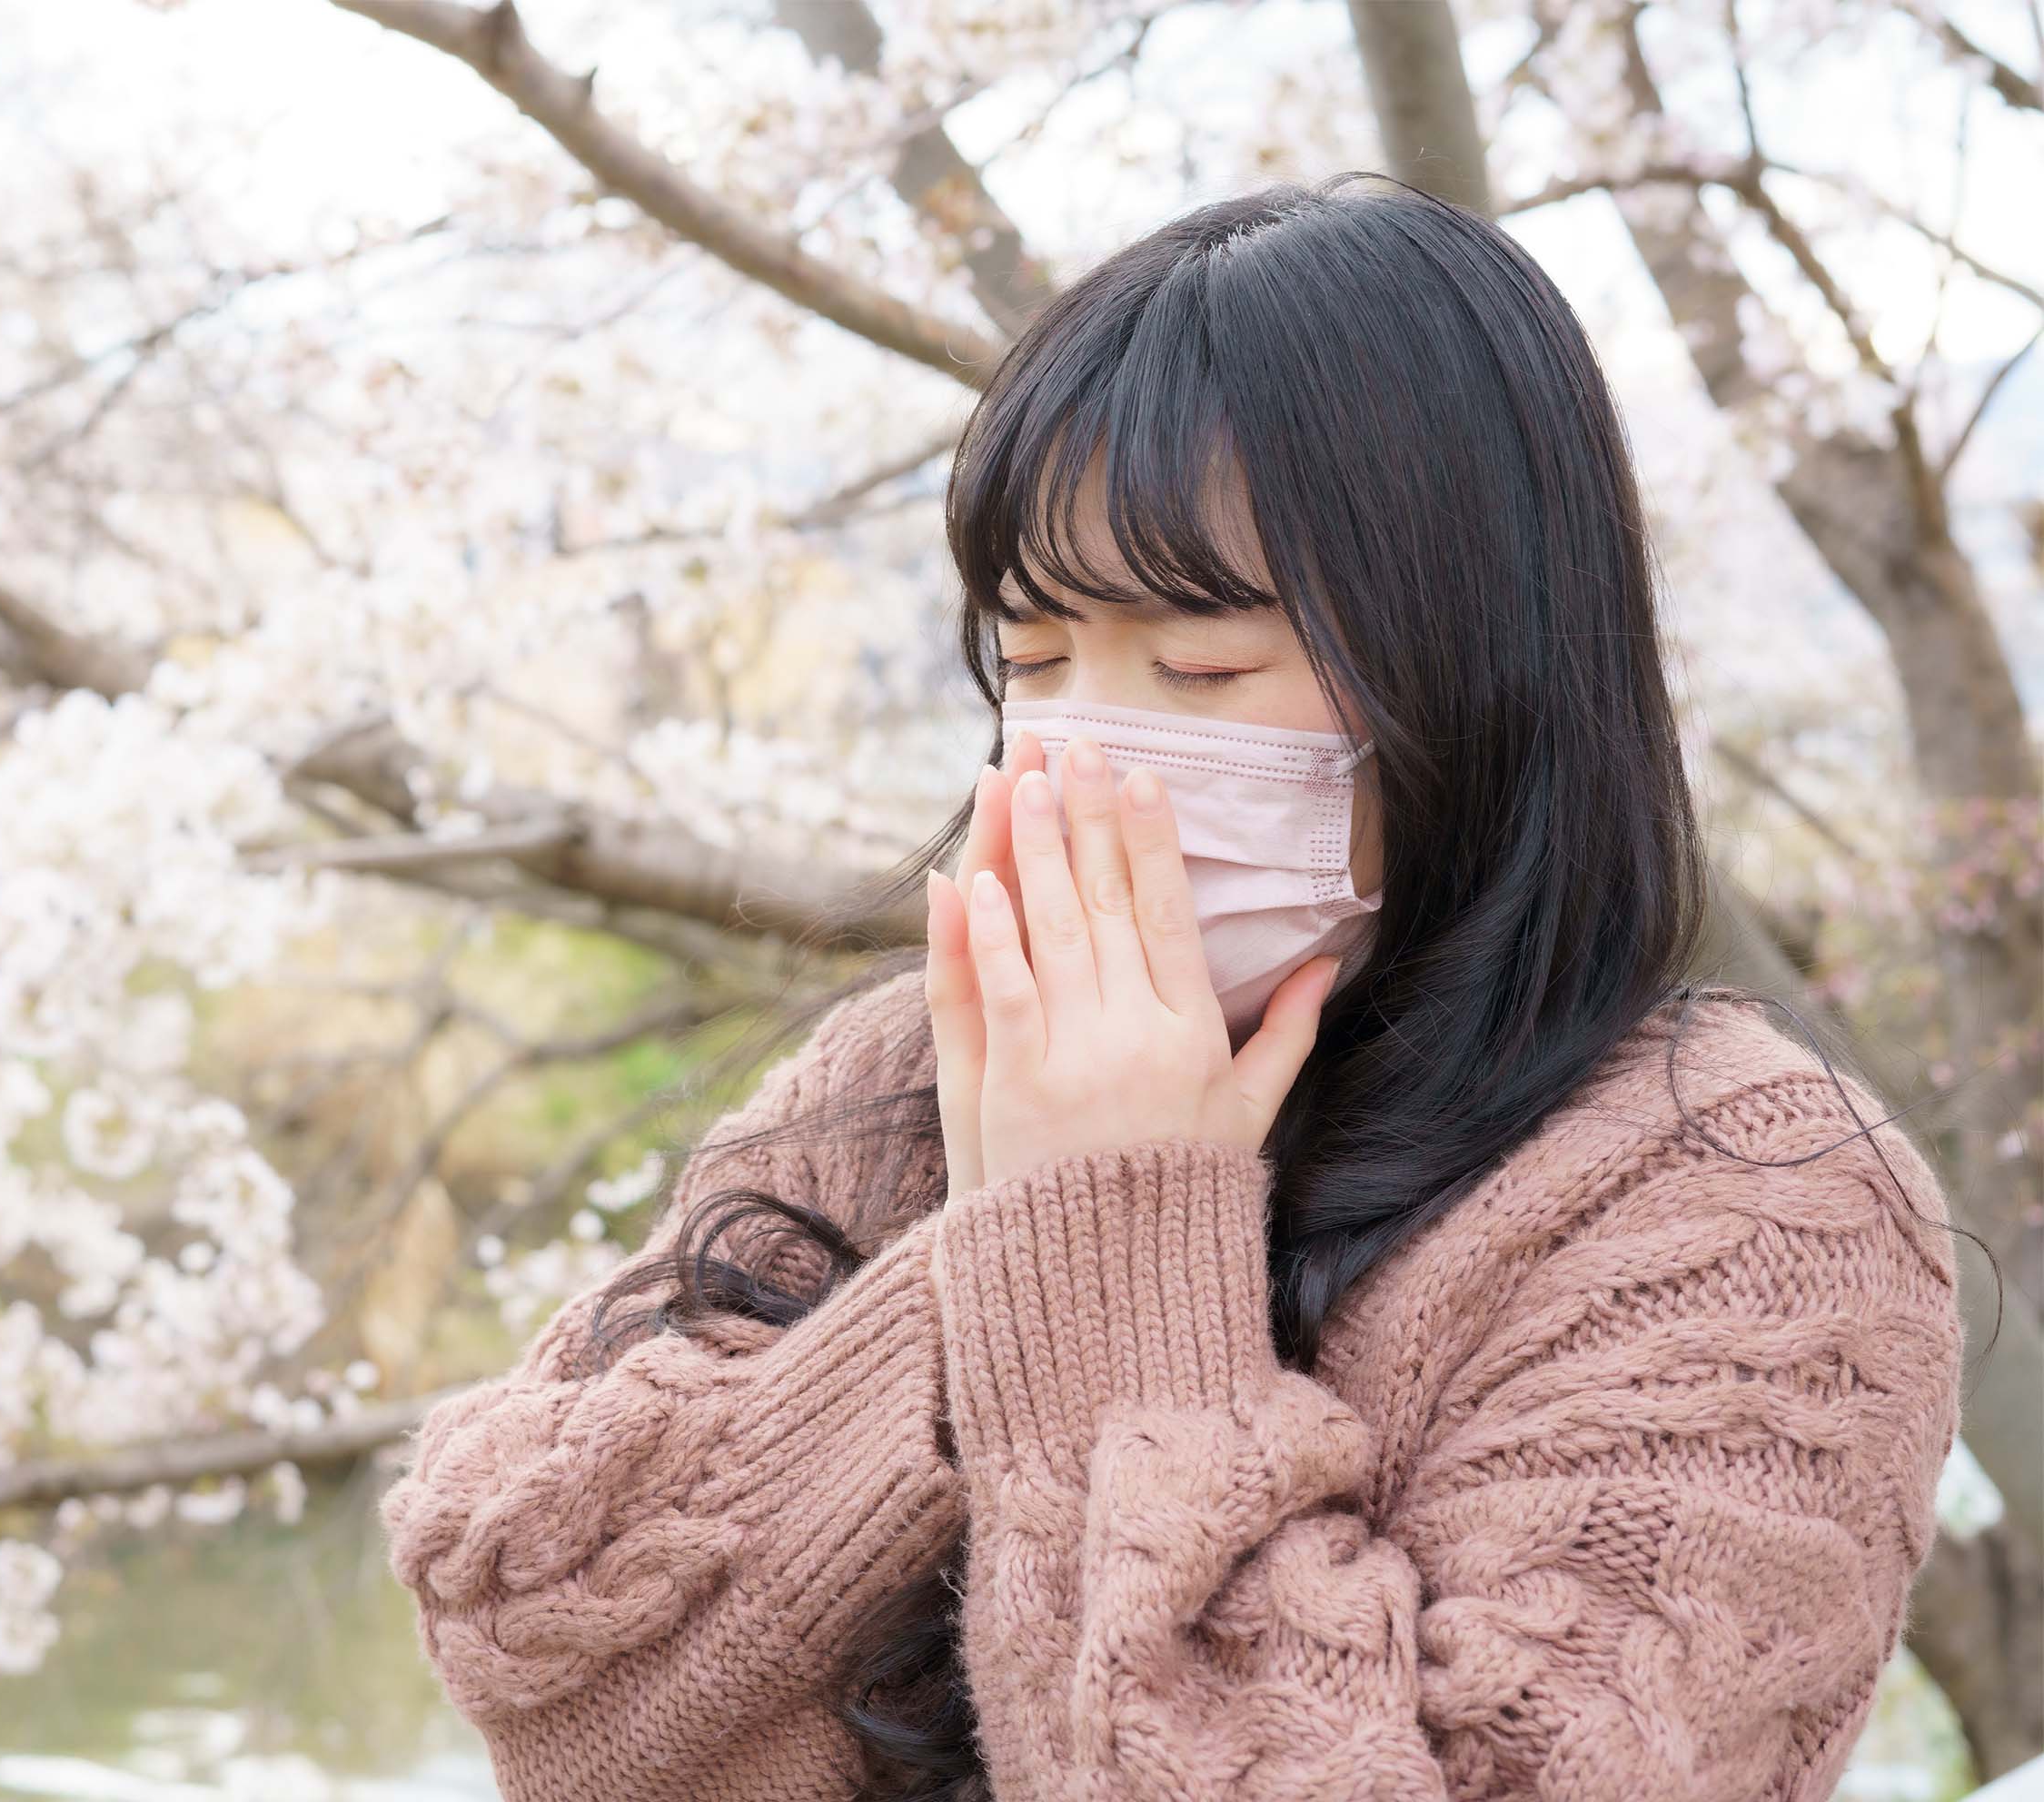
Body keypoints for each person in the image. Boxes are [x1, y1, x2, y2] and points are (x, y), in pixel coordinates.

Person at [377, 172, 1966, 1802]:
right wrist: (989, 1264)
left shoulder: (1747, 1210)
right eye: (1037, 659)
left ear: (1478, 662)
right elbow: (554, 1678)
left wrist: (1106, 1257)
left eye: (1198, 665)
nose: (1082, 753)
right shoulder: (911, 1078)